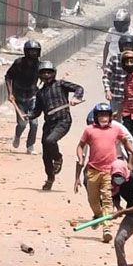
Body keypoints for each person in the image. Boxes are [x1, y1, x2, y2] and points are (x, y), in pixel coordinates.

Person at [77, 103, 133, 243]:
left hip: (108, 171)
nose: (103, 118)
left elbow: (126, 142)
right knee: (93, 200)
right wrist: (80, 156)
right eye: (100, 115)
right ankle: (98, 215)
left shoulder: (116, 129)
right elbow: (80, 146)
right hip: (93, 170)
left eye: (106, 115)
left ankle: (107, 228)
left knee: (107, 199)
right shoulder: (89, 130)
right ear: (96, 117)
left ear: (110, 116)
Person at [32, 61, 84, 190]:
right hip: (48, 123)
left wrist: (76, 98)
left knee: (50, 141)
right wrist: (29, 115)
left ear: (53, 73)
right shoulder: (40, 93)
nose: (46, 75)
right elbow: (37, 111)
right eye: (43, 72)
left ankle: (58, 158)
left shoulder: (61, 84)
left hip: (63, 120)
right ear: (39, 75)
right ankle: (50, 178)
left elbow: (79, 88)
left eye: (49, 72)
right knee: (45, 154)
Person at [5, 40, 42, 153]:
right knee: (22, 123)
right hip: (19, 97)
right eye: (31, 51)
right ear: (26, 52)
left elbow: (46, 79)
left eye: (35, 51)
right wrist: (10, 93)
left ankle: (30, 146)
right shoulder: (18, 63)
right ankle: (17, 136)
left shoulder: (40, 66)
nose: (33, 54)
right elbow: (8, 77)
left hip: (33, 97)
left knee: (34, 123)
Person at [102, 34, 133, 114]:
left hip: (130, 98)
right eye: (125, 46)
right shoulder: (114, 59)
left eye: (130, 47)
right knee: (116, 121)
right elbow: (106, 77)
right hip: (116, 97)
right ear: (121, 47)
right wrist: (107, 90)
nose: (127, 49)